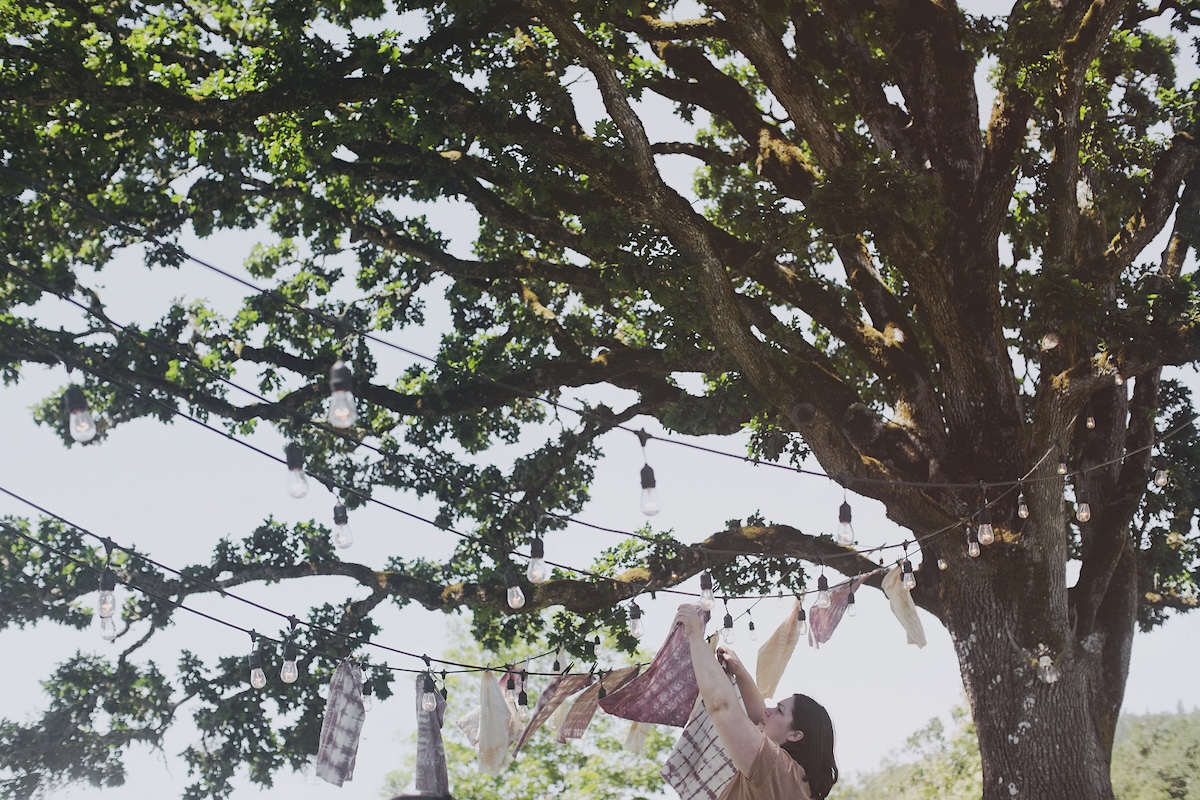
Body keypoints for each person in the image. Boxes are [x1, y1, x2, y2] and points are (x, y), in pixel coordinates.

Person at [674, 604, 838, 800]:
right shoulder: (795, 780)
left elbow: (721, 706)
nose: (768, 710)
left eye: (779, 710)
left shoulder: (775, 767)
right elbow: (759, 717)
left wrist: (694, 636)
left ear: (795, 735)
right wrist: (741, 673)